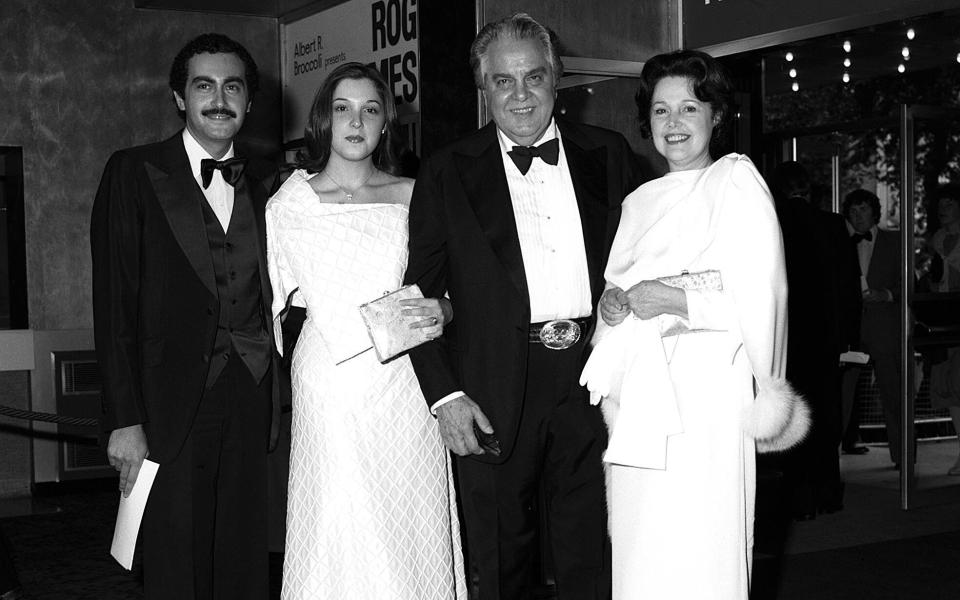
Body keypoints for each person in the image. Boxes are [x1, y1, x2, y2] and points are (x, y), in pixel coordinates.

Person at [402, 13, 641, 600]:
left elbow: (643, 263)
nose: (520, 94)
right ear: (484, 89)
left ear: (557, 79)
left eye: (534, 77)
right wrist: (445, 396)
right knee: (502, 557)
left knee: (595, 551)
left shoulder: (608, 153)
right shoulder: (445, 171)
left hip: (593, 377)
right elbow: (418, 295)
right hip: (492, 388)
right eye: (503, 82)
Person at [580, 50, 808, 599]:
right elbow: (617, 292)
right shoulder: (638, 201)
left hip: (708, 395)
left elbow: (762, 299)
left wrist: (677, 301)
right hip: (642, 398)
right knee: (643, 546)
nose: (674, 123)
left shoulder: (736, 182)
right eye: (661, 112)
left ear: (715, 116)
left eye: (688, 107)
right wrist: (611, 311)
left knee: (703, 542)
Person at [265, 62, 466, 600]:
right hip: (328, 380)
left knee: (408, 513)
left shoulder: (414, 194)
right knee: (337, 515)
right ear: (323, 121)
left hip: (405, 380)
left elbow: (448, 285)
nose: (356, 121)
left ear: (385, 124)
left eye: (370, 110)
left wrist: (443, 309)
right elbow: (277, 303)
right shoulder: (289, 203)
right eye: (343, 108)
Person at [91, 33, 278, 599]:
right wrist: (124, 419)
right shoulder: (132, 171)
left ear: (248, 101)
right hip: (167, 405)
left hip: (251, 393)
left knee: (244, 558)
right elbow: (113, 304)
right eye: (204, 86)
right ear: (179, 98)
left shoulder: (273, 182)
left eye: (232, 87)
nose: (219, 99)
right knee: (176, 563)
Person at [770, 161, 860, 519]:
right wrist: (847, 339)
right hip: (824, 340)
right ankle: (827, 493)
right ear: (808, 188)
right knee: (825, 416)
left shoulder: (771, 222)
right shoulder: (833, 224)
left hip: (783, 340)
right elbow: (849, 288)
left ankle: (797, 499)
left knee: (789, 417)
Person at [842, 189, 905, 467]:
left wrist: (888, 294)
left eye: (864, 210)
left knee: (893, 394)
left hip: (884, 328)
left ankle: (903, 456)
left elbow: (910, 285)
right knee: (841, 396)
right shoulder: (840, 242)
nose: (858, 216)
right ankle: (830, 462)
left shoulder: (895, 241)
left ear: (875, 212)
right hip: (850, 329)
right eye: (853, 212)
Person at [928, 187, 960, 474]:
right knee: (948, 385)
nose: (944, 208)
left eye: (950, 203)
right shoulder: (936, 239)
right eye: (941, 204)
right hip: (944, 318)